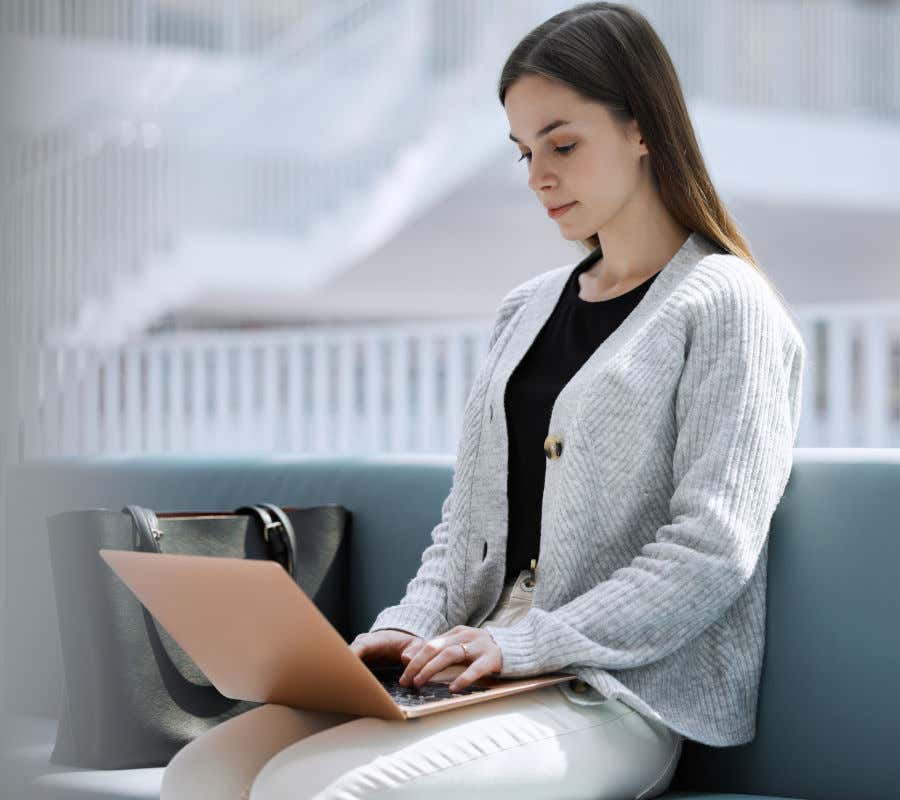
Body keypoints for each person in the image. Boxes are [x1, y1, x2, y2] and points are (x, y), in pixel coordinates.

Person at [160, 2, 805, 798]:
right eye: (524, 150)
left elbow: (713, 550)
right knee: (203, 773)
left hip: (611, 693)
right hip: (481, 670)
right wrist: (400, 633)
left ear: (644, 130)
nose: (538, 175)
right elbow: (465, 528)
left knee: (314, 791)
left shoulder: (727, 304)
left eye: (562, 144)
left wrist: (531, 643)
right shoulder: (523, 309)